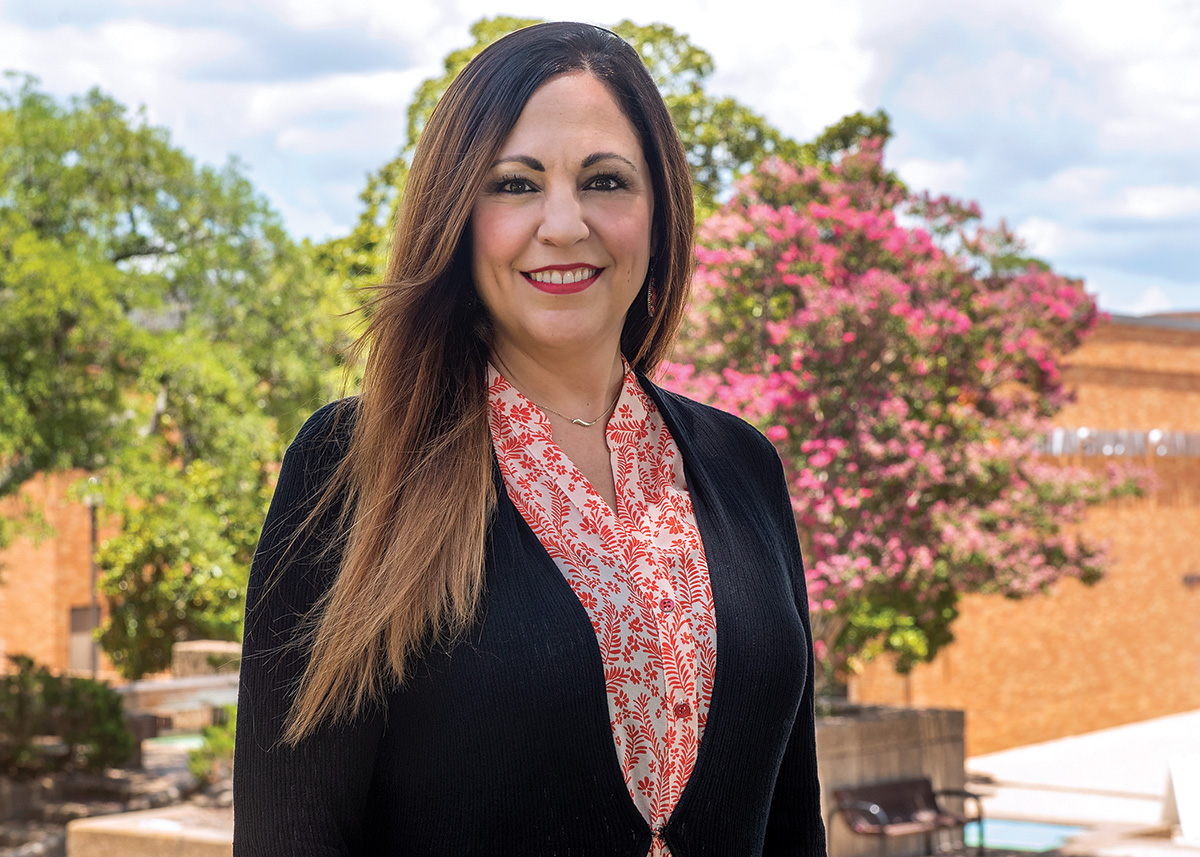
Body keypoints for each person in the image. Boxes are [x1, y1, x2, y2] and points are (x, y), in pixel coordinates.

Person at [233, 21, 825, 857]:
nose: (563, 223)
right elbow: (292, 836)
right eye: (515, 183)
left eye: (605, 181)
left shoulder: (744, 467)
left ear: (658, 213)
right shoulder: (351, 467)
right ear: (459, 214)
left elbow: (797, 822)